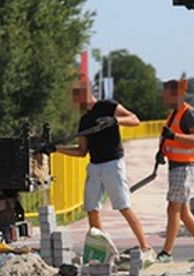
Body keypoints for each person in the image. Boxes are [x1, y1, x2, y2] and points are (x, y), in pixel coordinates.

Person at [57, 79, 154, 263]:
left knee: (123, 206)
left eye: (77, 95)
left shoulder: (107, 106)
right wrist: (57, 149)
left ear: (86, 93)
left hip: (113, 163)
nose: (75, 100)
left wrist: (115, 120)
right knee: (92, 208)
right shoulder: (84, 120)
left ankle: (145, 246)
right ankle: (100, 252)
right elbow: (81, 151)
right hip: (95, 166)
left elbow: (135, 120)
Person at [156, 79, 194, 262]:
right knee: (183, 211)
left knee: (173, 209)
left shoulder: (188, 114)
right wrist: (161, 152)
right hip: (177, 166)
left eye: (166, 92)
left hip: (185, 166)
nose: (163, 96)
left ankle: (167, 252)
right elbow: (170, 140)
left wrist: (174, 136)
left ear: (176, 93)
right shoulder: (175, 114)